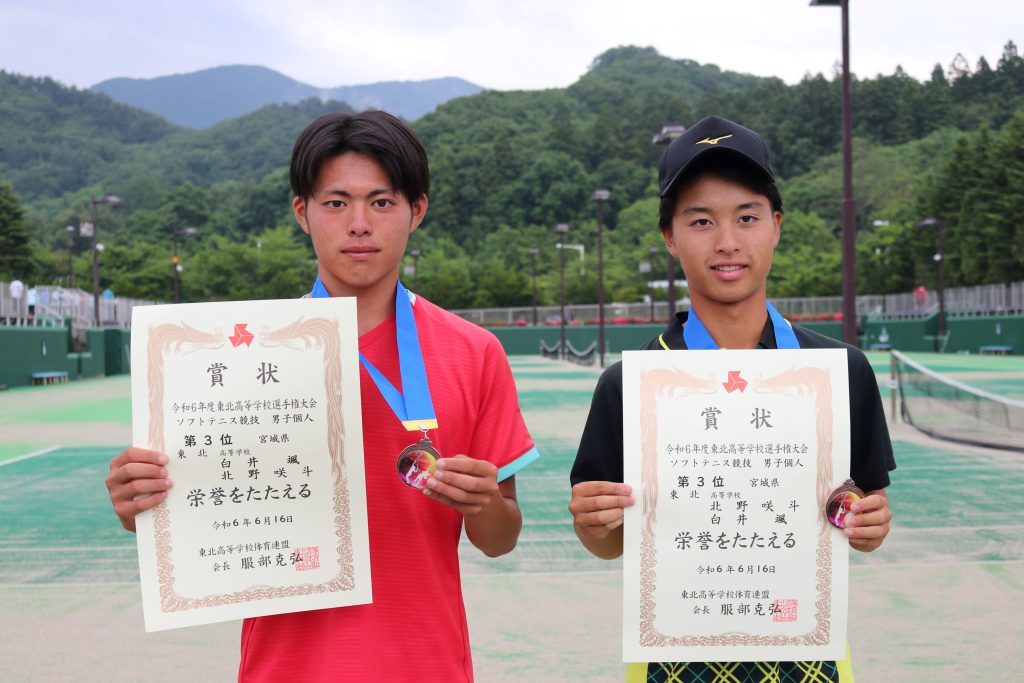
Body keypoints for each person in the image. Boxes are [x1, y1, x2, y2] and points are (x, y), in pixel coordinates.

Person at [105, 110, 540, 681]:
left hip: (426, 664)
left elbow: (500, 538)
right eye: (336, 203)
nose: (359, 224)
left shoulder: (475, 351)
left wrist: (483, 504)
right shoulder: (237, 357)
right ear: (302, 213)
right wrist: (141, 502)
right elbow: (178, 517)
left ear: (418, 210)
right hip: (284, 667)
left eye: (381, 202)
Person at [568, 115, 895, 683]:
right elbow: (609, 543)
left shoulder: (843, 372)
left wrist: (871, 524)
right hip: (670, 665)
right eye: (701, 220)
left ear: (776, 225)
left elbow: (861, 520)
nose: (727, 241)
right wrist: (594, 523)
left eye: (747, 217)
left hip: (807, 660)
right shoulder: (630, 383)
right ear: (670, 237)